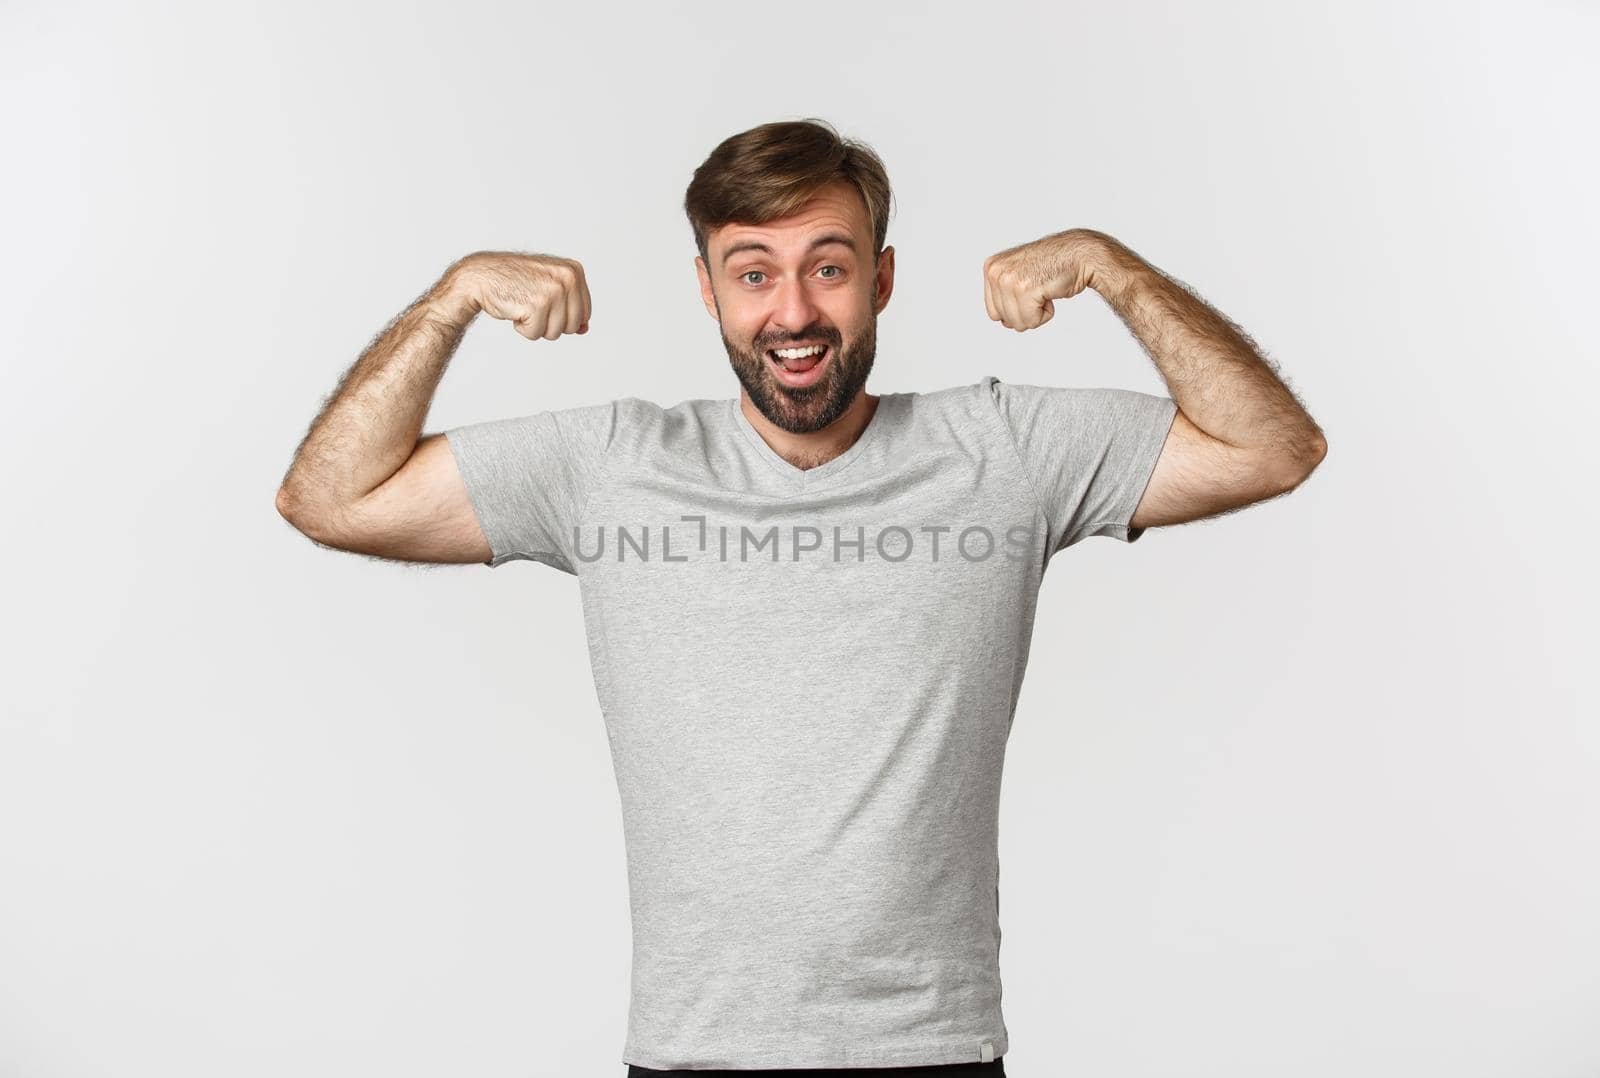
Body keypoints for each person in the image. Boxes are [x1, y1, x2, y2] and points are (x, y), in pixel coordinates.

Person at [274, 117, 1327, 1076]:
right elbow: (329, 498)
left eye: (828, 268)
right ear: (706, 290)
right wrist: (451, 297)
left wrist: (1111, 268)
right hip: (692, 1050)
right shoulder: (609, 466)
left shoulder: (1002, 452)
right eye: (752, 272)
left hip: (930, 1048)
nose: (793, 311)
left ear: (881, 279)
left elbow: (1273, 448)